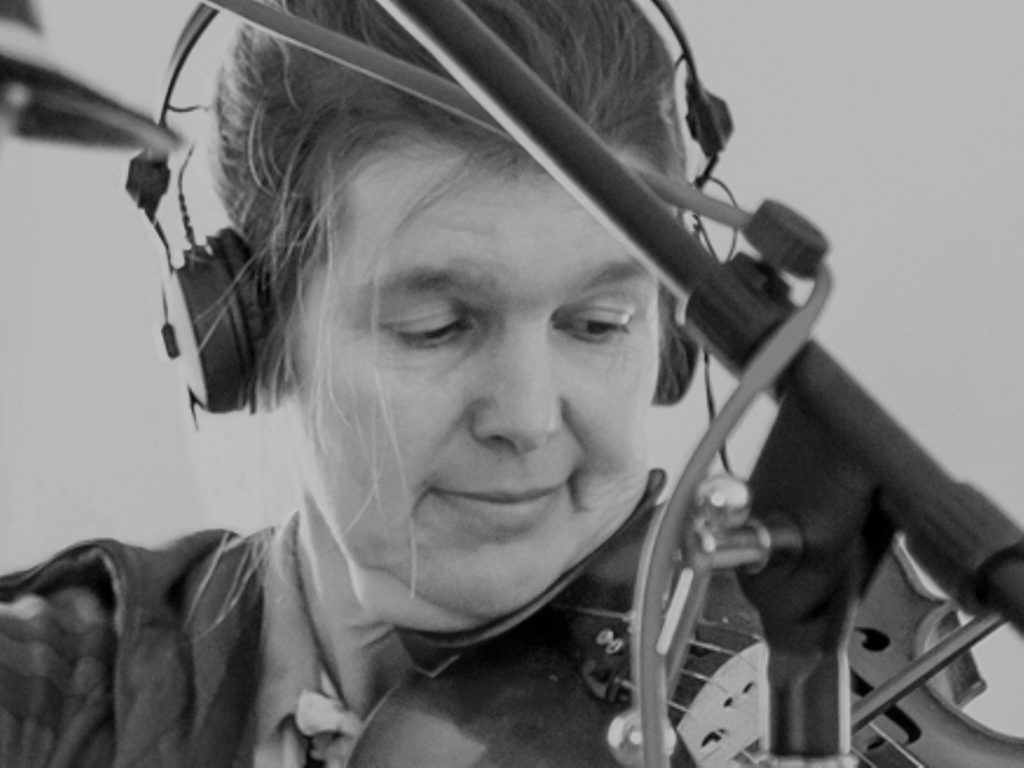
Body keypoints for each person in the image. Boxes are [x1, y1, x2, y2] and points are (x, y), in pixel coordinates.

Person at [0, 0, 696, 764]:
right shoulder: (47, 695)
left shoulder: (778, 680)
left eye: (598, 324)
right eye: (435, 328)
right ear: (255, 335)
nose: (528, 418)